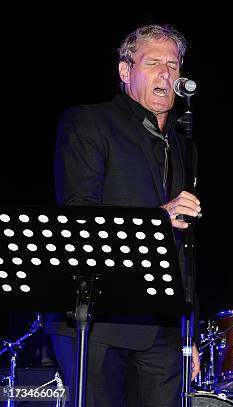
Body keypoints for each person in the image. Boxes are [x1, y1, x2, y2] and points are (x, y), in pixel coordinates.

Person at [48, 24, 201, 406]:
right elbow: (77, 215)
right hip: (98, 321)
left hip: (164, 330)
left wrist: (189, 333)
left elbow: (186, 247)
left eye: (173, 64)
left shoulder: (183, 144)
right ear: (124, 71)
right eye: (153, 63)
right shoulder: (89, 122)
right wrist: (157, 218)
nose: (166, 73)